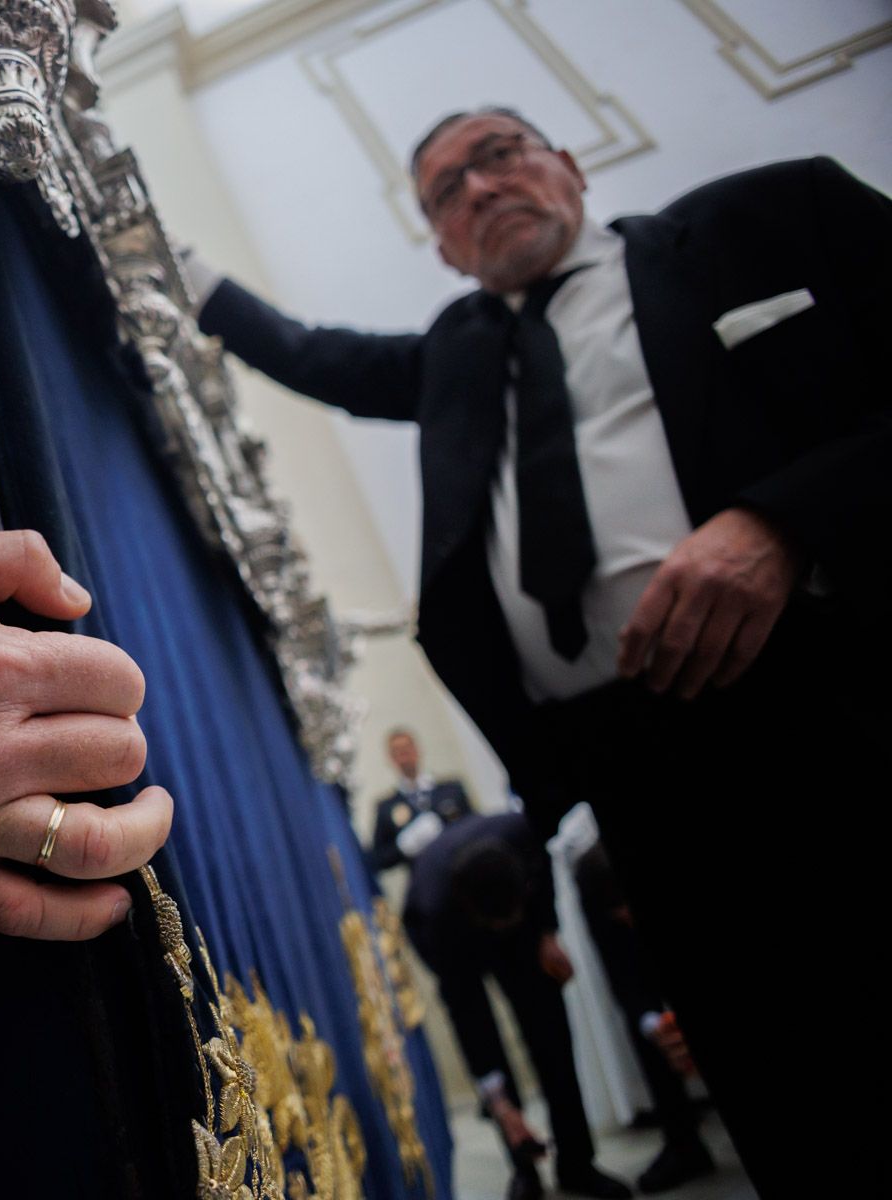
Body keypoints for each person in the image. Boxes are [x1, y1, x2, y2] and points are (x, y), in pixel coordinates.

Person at [188, 106, 888, 1195]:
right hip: (627, 766)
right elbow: (309, 353)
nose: (479, 188)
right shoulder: (457, 357)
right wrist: (160, 256)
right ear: (441, 245)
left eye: (499, 155)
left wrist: (786, 522)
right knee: (773, 1067)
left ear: (567, 163)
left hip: (820, 697)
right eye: (445, 192)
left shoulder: (767, 219)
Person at [403, 812, 629, 1200]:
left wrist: (547, 933)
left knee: (552, 1035)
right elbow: (469, 1018)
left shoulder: (522, 833)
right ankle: (523, 1165)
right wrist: (498, 1100)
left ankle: (577, 1163)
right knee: (491, 1059)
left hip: (525, 932)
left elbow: (544, 880)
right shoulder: (434, 914)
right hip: (461, 939)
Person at [572, 844, 714, 1193]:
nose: (625, 916)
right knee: (650, 1035)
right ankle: (684, 1144)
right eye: (617, 911)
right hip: (636, 971)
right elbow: (622, 976)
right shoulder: (590, 881)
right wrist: (656, 1027)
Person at [366, 726, 474, 873]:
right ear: (391, 759)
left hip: (463, 868)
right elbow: (379, 858)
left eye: (407, 748)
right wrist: (403, 846)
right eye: (397, 752)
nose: (404, 756)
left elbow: (475, 826)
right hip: (426, 878)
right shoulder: (387, 807)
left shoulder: (451, 790)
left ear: (417, 750)